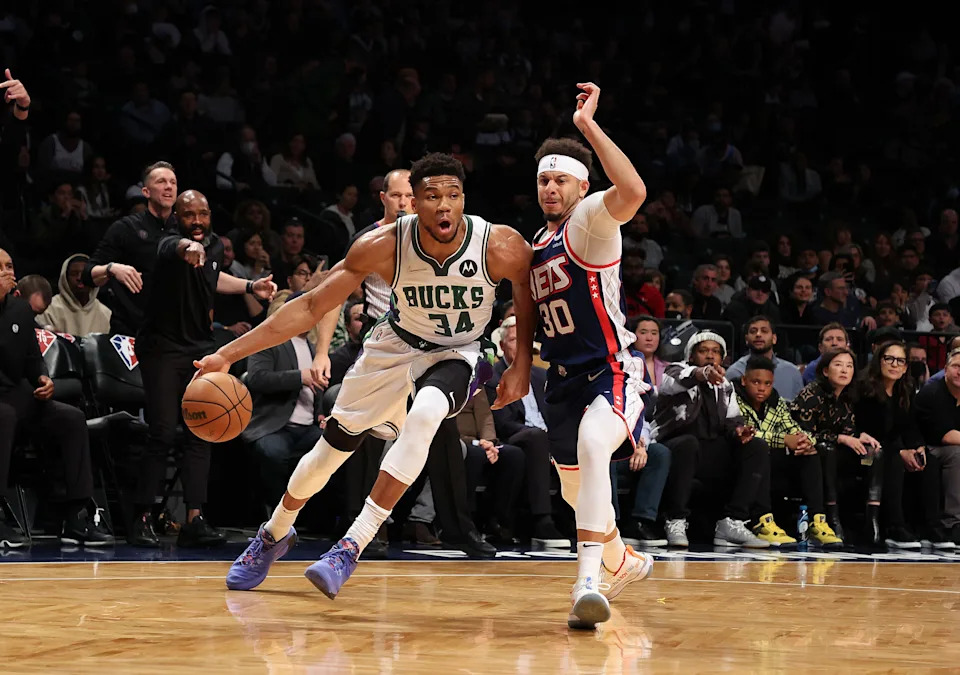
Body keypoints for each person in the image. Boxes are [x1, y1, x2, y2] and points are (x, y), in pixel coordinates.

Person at [196, 153, 534, 595]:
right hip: (393, 347)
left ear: (463, 198)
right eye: (432, 196)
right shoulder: (383, 244)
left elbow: (527, 300)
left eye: (453, 195)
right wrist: (227, 353)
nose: (445, 205)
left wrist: (521, 364)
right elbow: (312, 305)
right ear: (414, 201)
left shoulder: (501, 244)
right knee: (330, 453)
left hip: (460, 350)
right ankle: (274, 532)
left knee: (428, 412)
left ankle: (351, 545)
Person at [528, 82, 653, 630]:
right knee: (574, 487)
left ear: (582, 186)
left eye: (559, 179)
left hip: (610, 369)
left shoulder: (590, 221)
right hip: (560, 381)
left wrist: (587, 128)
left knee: (594, 442)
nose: (550, 188)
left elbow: (633, 190)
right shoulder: (539, 239)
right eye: (543, 180)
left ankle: (586, 583)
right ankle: (620, 559)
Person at [129, 190, 276, 548]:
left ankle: (195, 519)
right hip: (161, 350)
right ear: (176, 216)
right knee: (162, 431)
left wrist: (250, 285)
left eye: (203, 214)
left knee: (202, 430)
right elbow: (176, 249)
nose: (197, 221)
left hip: (197, 348)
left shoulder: (212, 247)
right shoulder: (167, 242)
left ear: (211, 215)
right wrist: (186, 248)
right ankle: (140, 518)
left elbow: (214, 276)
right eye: (189, 214)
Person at [0, 248, 113, 547]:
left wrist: (43, 377)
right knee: (5, 416)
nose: (7, 272)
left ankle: (76, 515)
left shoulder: (21, 310)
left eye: (9, 265)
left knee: (71, 418)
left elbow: (32, 357)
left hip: (15, 393)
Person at [653, 332, 782, 549]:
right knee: (688, 443)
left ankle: (732, 521)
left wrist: (740, 432)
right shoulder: (674, 371)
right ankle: (675, 519)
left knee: (756, 446)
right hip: (674, 446)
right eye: (704, 351)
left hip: (709, 451)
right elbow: (676, 381)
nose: (710, 356)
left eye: (715, 352)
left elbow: (732, 421)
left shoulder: (724, 385)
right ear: (692, 356)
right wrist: (702, 373)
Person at [735, 356, 839, 547]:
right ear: (744, 380)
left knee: (810, 453)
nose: (761, 388)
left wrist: (805, 441)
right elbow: (746, 433)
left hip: (771, 458)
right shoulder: (734, 398)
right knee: (760, 448)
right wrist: (783, 440)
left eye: (767, 383)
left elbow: (793, 428)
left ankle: (817, 520)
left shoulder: (776, 401)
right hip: (741, 458)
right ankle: (762, 522)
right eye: (756, 382)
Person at [789, 349, 882, 542]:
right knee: (826, 449)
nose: (844, 370)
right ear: (825, 370)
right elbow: (804, 434)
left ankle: (872, 519)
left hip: (841, 456)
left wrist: (859, 435)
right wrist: (840, 438)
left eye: (849, 366)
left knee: (873, 453)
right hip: (811, 456)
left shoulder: (849, 396)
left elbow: (849, 431)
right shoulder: (811, 394)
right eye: (838, 365)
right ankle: (831, 517)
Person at [725, 316, 804, 400]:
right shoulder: (735, 371)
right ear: (746, 339)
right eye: (753, 331)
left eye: (764, 331)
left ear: (774, 339)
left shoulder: (792, 372)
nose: (758, 334)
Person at [37, 254, 111, 336]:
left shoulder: (105, 314)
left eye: (84, 274)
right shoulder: (49, 310)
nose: (79, 278)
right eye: (74, 273)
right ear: (65, 278)